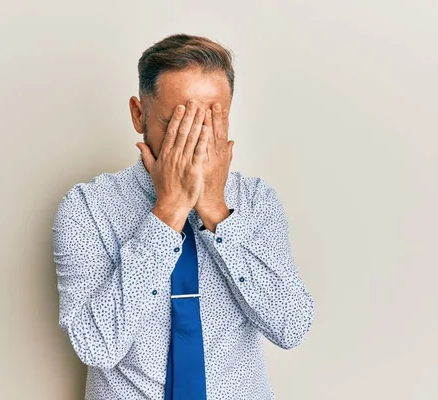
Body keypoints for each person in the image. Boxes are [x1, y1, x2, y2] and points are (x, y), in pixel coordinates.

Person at [52, 33, 315, 400]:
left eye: (210, 120)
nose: (196, 139)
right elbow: (96, 346)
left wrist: (216, 210)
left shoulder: (256, 201)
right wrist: (169, 212)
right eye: (178, 122)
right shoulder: (88, 207)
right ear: (138, 113)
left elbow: (291, 326)